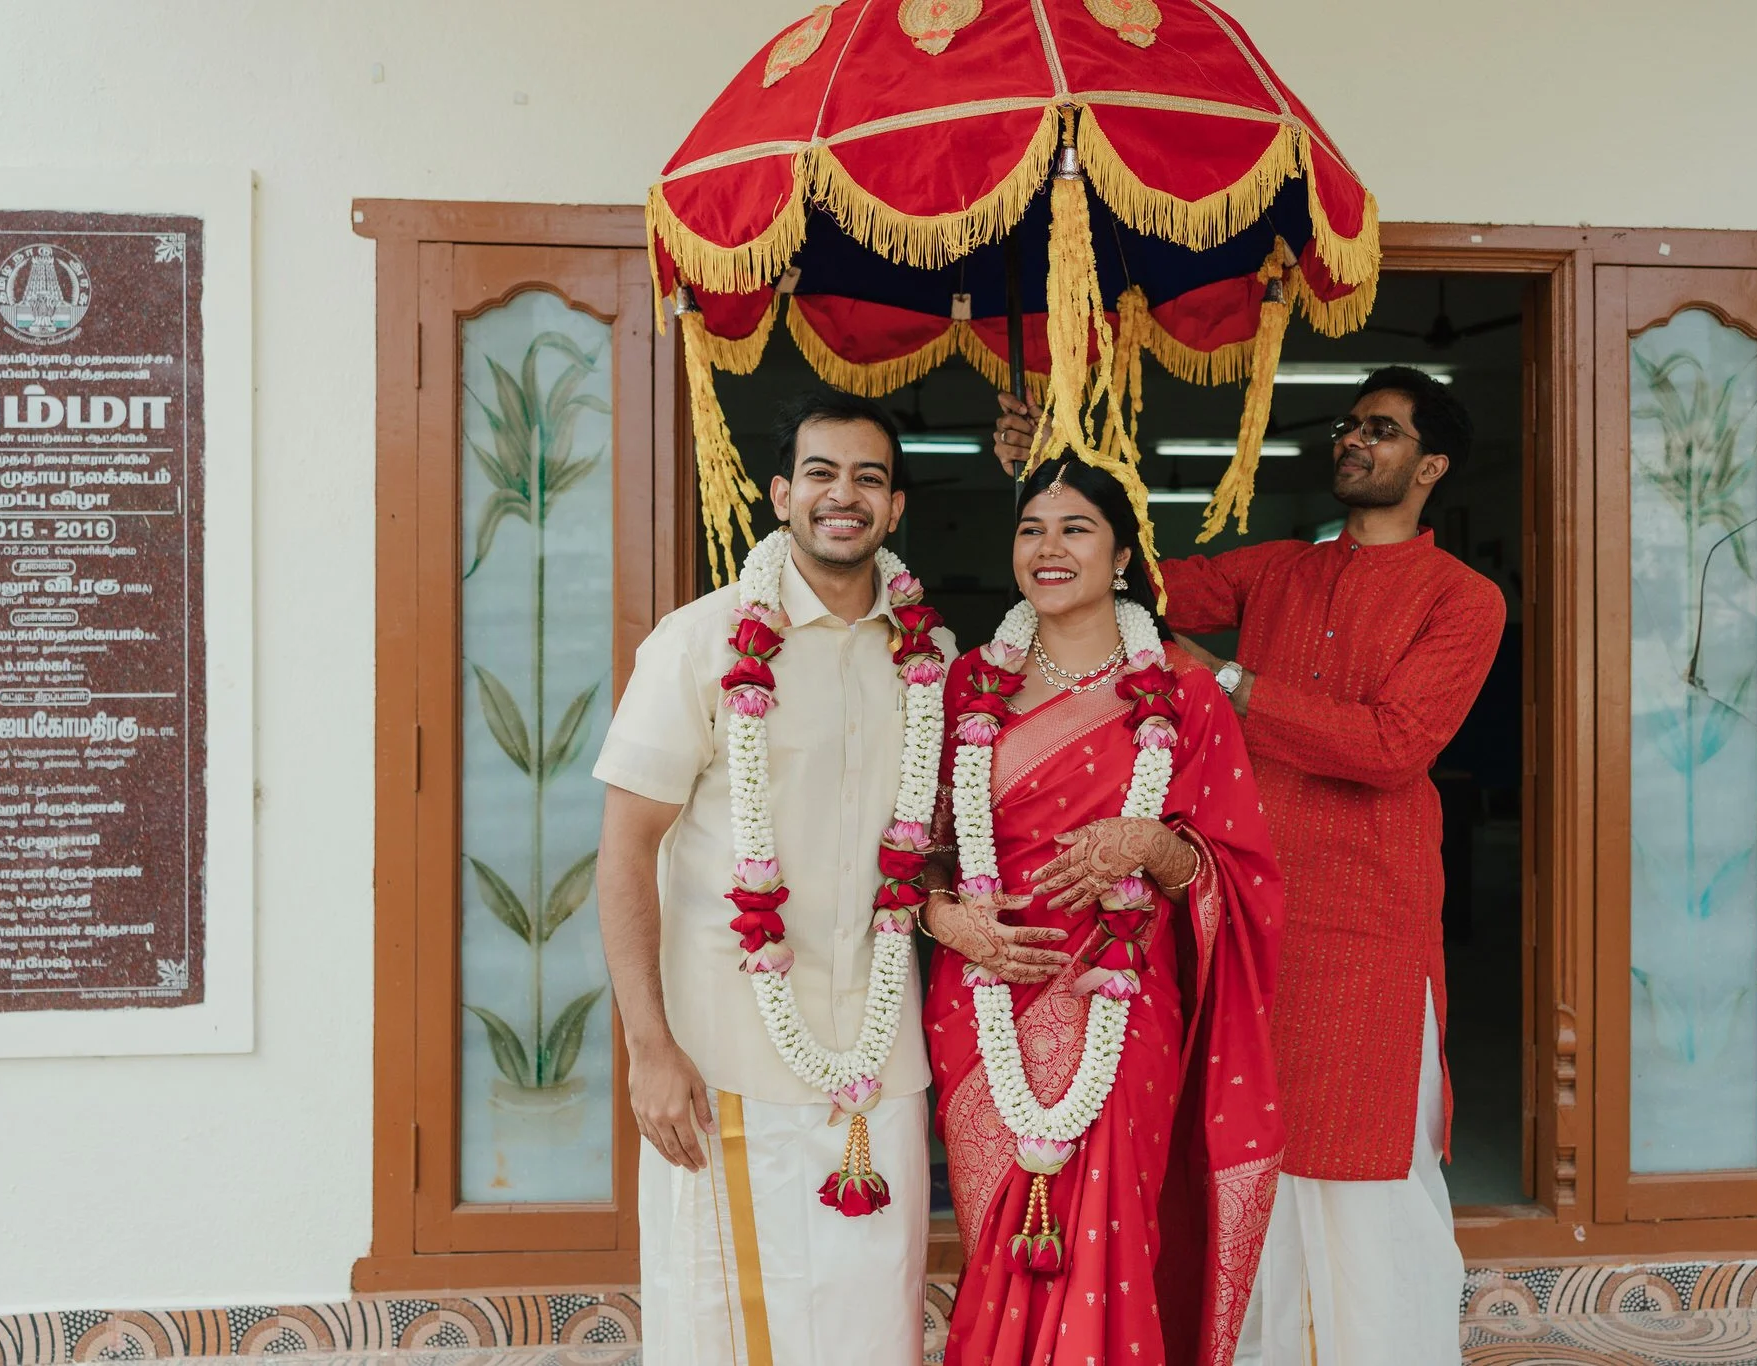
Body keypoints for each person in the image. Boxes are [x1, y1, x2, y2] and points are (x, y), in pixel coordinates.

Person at [994, 367, 1506, 1364]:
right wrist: (1052, 467)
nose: (1353, 438)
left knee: (1363, 1170)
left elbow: (1392, 745)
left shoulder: (1463, 598)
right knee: (1246, 1155)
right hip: (1238, 911)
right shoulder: (1281, 570)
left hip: (1365, 926)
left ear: (1431, 466)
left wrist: (1225, 678)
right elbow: (1130, 573)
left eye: (1382, 429)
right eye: (1350, 423)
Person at [594, 391, 954, 1365]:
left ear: (895, 507)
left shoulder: (929, 656)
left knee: (872, 1328)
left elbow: (931, 847)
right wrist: (648, 1047)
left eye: (869, 478)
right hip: (722, 1059)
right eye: (821, 473)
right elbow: (624, 849)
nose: (845, 495)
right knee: (720, 1326)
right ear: (781, 493)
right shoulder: (701, 641)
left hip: (877, 1066)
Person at [920, 455, 1285, 1366]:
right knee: (997, 1241)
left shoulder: (1185, 695)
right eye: (1031, 530)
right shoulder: (965, 685)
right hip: (983, 995)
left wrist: (1153, 845)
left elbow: (1238, 872)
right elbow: (916, 851)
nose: (1049, 548)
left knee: (1110, 1240)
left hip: (1124, 1002)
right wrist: (942, 920)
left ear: (1122, 555)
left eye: (1075, 529)